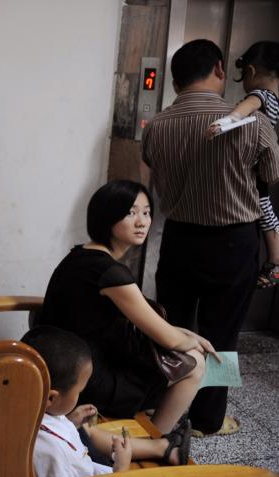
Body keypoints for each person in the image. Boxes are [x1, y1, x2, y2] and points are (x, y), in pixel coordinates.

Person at [142, 40, 279, 436]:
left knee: (175, 328)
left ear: (174, 79)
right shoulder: (254, 122)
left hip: (179, 239)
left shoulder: (158, 127)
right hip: (234, 244)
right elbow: (270, 174)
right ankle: (207, 420)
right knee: (223, 334)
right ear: (220, 69)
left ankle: (167, 411)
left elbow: (154, 167)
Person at [37, 180, 211, 434]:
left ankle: (149, 432)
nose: (142, 222)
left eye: (146, 212)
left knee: (176, 352)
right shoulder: (109, 272)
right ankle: (155, 441)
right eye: (130, 213)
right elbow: (169, 339)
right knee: (195, 363)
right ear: (106, 216)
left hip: (66, 362)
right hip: (84, 377)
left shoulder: (83, 255)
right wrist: (194, 343)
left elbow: (147, 319)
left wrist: (187, 334)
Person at [24, 326, 191, 477]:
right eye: (79, 391)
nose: (80, 395)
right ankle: (164, 448)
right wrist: (121, 471)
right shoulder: (55, 455)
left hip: (82, 462)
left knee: (85, 429)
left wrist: (69, 422)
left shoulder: (27, 407)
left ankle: (165, 447)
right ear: (51, 398)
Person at [205, 41, 279, 288]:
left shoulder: (262, 96)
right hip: (268, 166)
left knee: (264, 210)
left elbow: (245, 109)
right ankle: (274, 262)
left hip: (258, 171)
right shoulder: (277, 99)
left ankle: (276, 263)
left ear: (250, 72)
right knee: (268, 213)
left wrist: (223, 123)